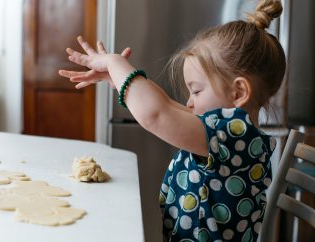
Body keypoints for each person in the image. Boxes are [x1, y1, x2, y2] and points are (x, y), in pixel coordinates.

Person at [59, 0, 285, 240]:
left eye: (196, 91)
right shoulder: (230, 134)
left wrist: (116, 64)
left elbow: (157, 114)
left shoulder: (232, 135)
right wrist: (119, 80)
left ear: (238, 93)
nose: (189, 102)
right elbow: (166, 104)